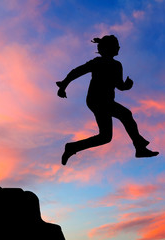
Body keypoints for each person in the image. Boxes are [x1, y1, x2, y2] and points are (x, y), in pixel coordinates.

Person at [57, 35, 159, 165]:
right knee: (126, 114)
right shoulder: (97, 62)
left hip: (107, 101)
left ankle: (72, 147)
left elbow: (119, 85)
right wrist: (63, 85)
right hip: (96, 100)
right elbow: (77, 71)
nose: (119, 48)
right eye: (116, 46)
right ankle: (139, 147)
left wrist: (127, 86)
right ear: (107, 48)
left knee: (105, 137)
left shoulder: (117, 65)